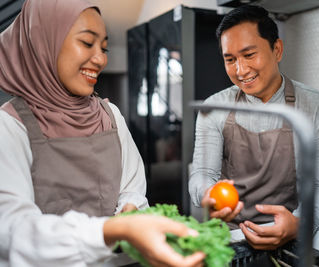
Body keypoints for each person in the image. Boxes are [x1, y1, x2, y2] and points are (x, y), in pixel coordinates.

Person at [0, 0, 204, 266]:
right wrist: (112, 231)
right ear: (43, 45)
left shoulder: (110, 116)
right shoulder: (10, 126)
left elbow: (131, 190)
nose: (101, 59)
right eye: (87, 43)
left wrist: (129, 211)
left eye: (104, 47)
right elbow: (14, 231)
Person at [189, 5, 319, 250]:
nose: (241, 70)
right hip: (230, 236)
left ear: (277, 49)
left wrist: (299, 224)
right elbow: (202, 174)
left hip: (290, 232)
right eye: (230, 59)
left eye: (249, 55)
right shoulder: (213, 107)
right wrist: (207, 194)